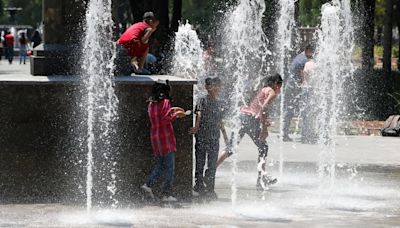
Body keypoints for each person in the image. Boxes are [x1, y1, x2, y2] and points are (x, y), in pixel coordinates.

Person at [217, 73, 283, 191]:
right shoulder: (271, 92)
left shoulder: (262, 89)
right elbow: (264, 108)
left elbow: (256, 108)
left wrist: (263, 121)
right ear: (275, 84)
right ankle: (261, 179)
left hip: (242, 116)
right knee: (263, 147)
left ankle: (210, 171)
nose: (280, 88)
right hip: (251, 120)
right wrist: (264, 129)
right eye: (280, 85)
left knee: (230, 148)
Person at [141, 80, 187, 202]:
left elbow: (160, 114)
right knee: (170, 167)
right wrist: (177, 115)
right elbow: (165, 118)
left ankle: (148, 184)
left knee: (160, 165)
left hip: (155, 137)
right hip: (165, 138)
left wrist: (172, 110)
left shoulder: (151, 104)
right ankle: (166, 193)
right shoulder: (165, 102)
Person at [190, 77, 228, 199]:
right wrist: (196, 127)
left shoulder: (219, 103)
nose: (216, 88)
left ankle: (210, 188)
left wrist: (225, 136)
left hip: (214, 137)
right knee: (200, 162)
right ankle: (198, 185)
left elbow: (220, 121)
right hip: (202, 135)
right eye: (213, 85)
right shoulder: (202, 100)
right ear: (207, 87)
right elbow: (199, 113)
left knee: (212, 164)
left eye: (218, 85)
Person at [282, 44, 314, 141]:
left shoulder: (300, 56)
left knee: (290, 110)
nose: (313, 54)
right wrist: (306, 87)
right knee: (304, 110)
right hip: (294, 88)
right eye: (312, 52)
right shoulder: (303, 60)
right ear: (307, 50)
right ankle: (305, 134)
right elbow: (302, 76)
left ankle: (285, 133)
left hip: (291, 87)